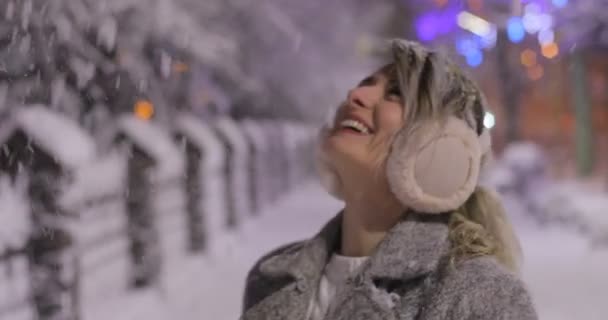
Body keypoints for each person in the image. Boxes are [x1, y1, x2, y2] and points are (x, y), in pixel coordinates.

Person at [240, 39, 538, 320]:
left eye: (395, 94)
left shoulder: (481, 296)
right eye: (365, 84)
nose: (355, 95)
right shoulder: (272, 279)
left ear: (442, 146)